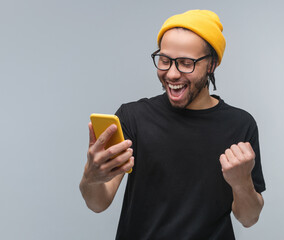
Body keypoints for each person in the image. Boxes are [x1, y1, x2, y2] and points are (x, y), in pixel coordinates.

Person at [80, 9, 266, 240]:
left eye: (186, 63)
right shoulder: (133, 117)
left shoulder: (240, 125)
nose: (172, 74)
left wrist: (241, 183)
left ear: (212, 65)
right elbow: (98, 203)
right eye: (165, 61)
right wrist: (91, 176)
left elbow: (249, 218)